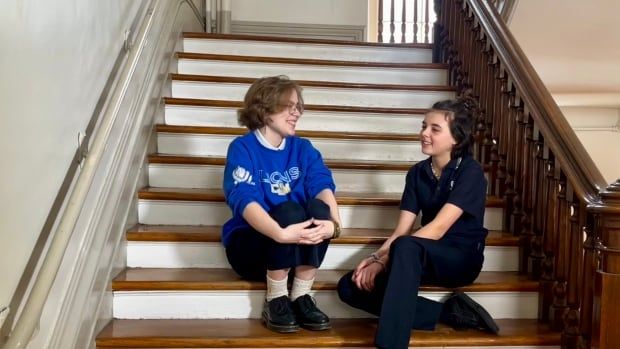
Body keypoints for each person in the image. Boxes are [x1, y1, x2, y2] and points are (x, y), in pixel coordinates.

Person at [337, 98, 499, 349]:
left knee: (406, 247)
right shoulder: (417, 173)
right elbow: (402, 230)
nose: (424, 133)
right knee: (350, 285)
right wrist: (376, 258)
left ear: (456, 138)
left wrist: (384, 260)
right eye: (424, 126)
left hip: (461, 258)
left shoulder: (471, 172)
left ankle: (391, 344)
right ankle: (450, 313)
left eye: (434, 129)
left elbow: (438, 228)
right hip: (422, 253)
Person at [222, 75, 342, 333]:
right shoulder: (243, 148)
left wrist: (335, 226)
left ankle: (301, 296)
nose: (296, 113)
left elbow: (322, 186)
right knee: (290, 210)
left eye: (298, 107)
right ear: (265, 109)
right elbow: (244, 199)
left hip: (294, 246)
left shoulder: (303, 148)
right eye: (289, 106)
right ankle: (275, 297)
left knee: (319, 211)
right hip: (251, 248)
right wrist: (280, 234)